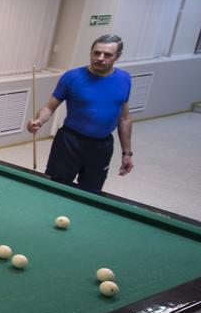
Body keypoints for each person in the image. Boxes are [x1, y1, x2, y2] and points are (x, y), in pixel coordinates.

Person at [27, 34, 134, 193]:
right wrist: (38, 121)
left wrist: (127, 153)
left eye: (107, 55)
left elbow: (124, 118)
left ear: (117, 56)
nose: (100, 58)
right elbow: (49, 107)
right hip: (69, 142)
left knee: (91, 192)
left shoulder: (125, 79)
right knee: (55, 189)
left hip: (102, 146)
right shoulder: (72, 77)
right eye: (96, 53)